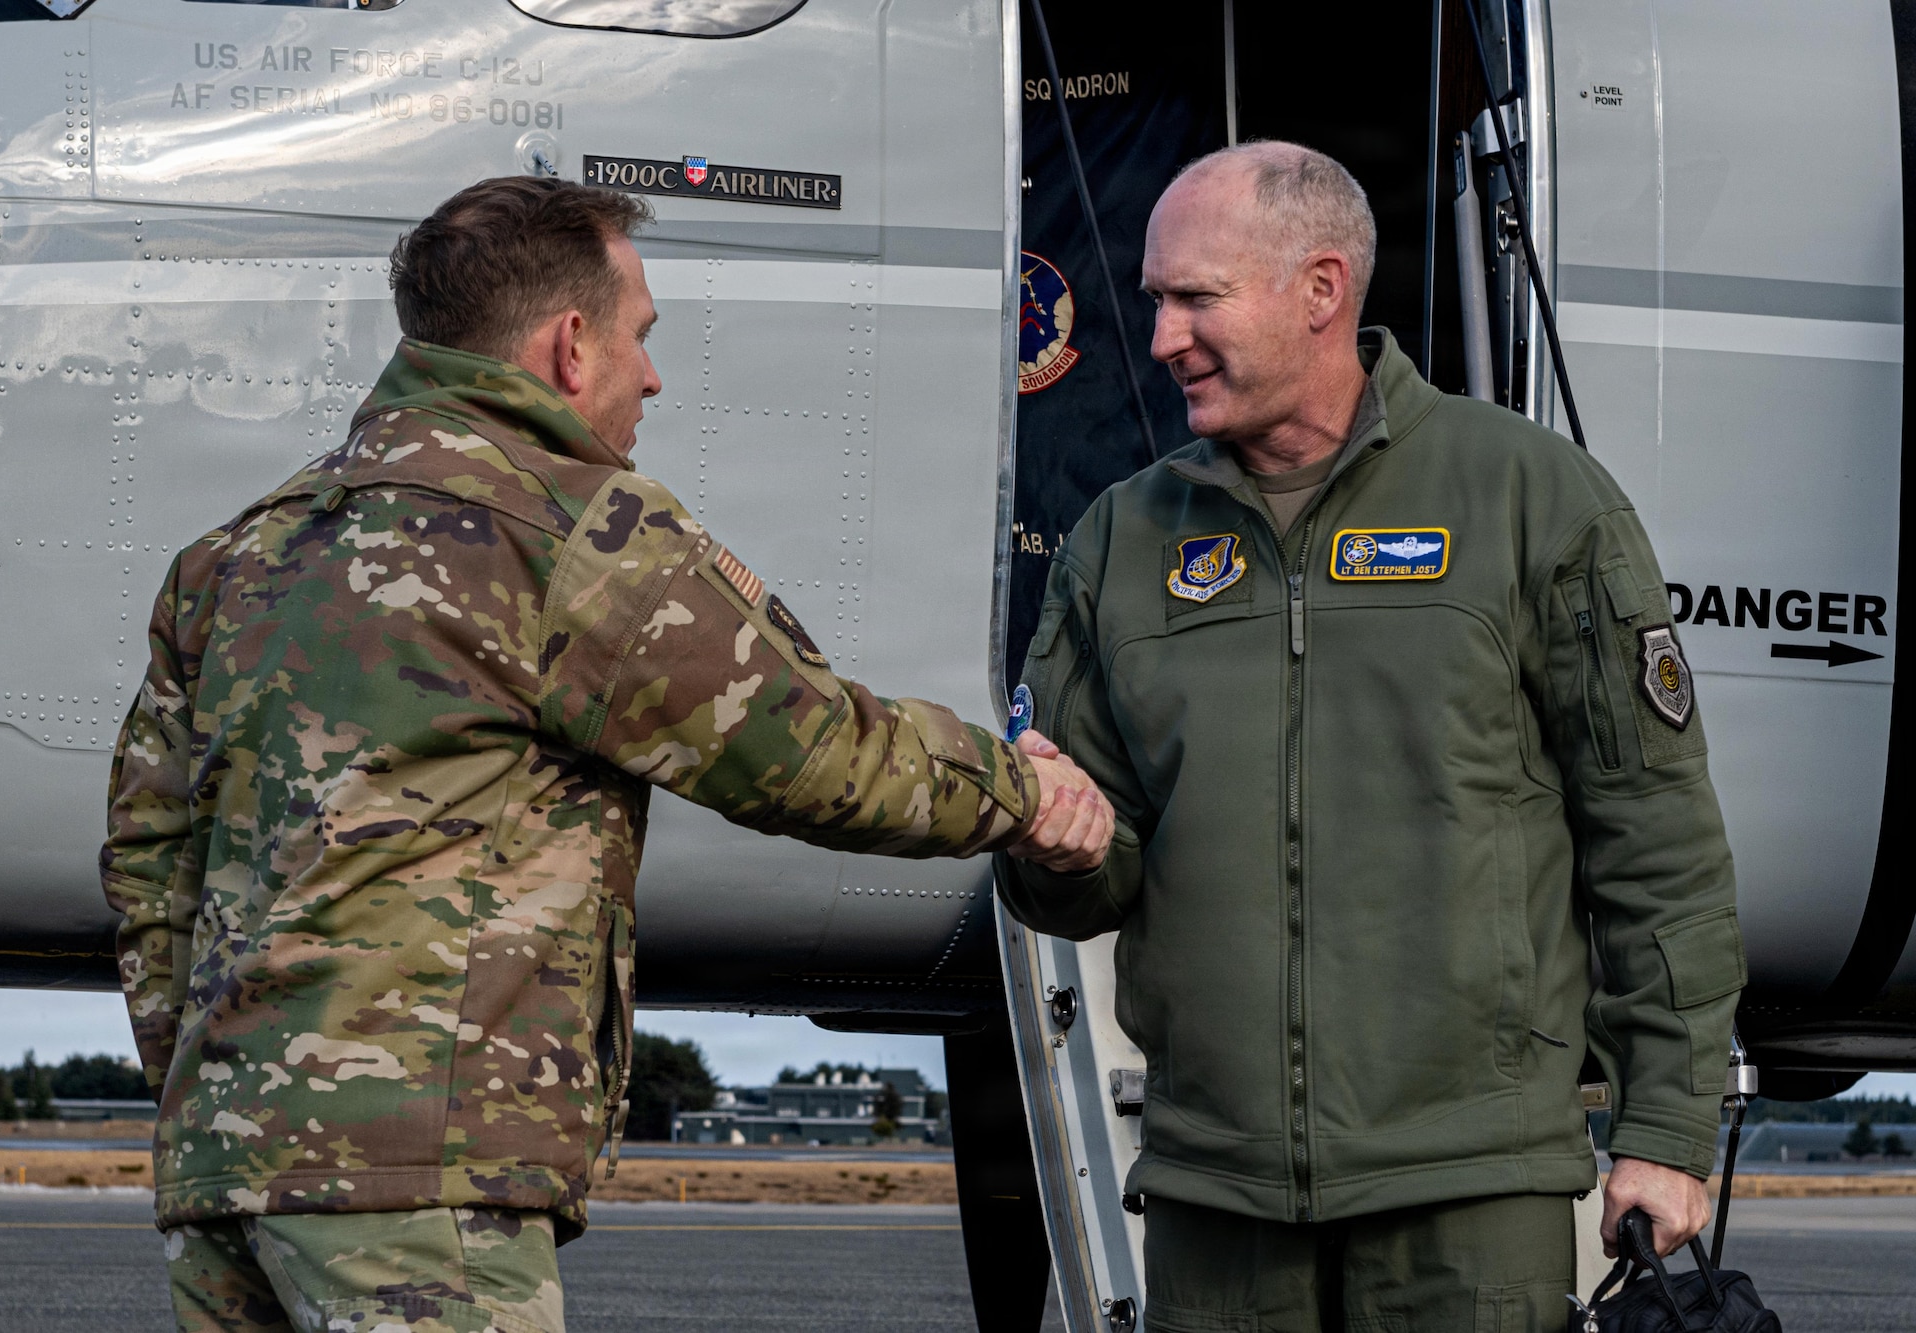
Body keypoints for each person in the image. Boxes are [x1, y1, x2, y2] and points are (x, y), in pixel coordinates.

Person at [100, 176, 1110, 1333]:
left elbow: (147, 857)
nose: (652, 375)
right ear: (569, 345)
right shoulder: (569, 535)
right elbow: (814, 750)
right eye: (640, 336)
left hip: (223, 1173)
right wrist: (1025, 789)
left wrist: (213, 1078)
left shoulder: (237, 553)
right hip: (423, 1190)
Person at [996, 142, 1744, 1330]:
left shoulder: (1531, 500)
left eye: (1196, 299)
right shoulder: (1117, 541)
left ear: (1319, 288)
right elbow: (1086, 881)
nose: (1160, 340)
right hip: (1214, 1197)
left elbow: (1655, 842)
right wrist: (1054, 844)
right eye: (1154, 301)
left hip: (1468, 1192)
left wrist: (1661, 1132)